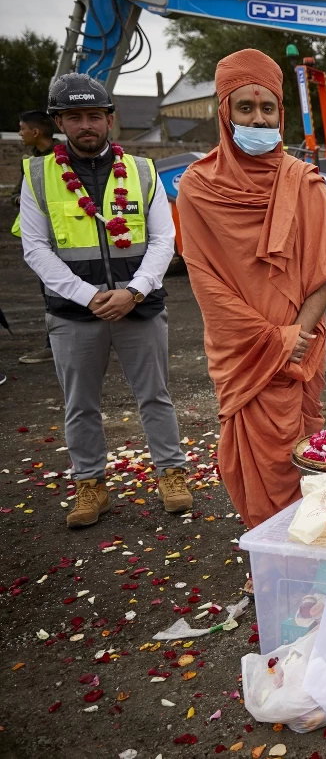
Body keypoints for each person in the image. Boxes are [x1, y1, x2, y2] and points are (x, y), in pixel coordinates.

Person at [176, 49, 326, 529]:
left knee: (302, 450)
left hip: (301, 349)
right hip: (242, 351)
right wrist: (270, 339)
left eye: (268, 108)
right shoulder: (195, 188)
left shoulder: (304, 181)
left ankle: (302, 547)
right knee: (249, 460)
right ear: (224, 113)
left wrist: (297, 335)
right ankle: (268, 551)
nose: (258, 117)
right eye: (246, 108)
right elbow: (204, 279)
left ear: (281, 112)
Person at [19, 74, 192, 528]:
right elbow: (36, 249)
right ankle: (91, 484)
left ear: (110, 119)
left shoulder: (142, 170)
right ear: (59, 123)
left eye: (94, 115)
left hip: (140, 304)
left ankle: (171, 473)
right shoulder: (37, 175)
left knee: (155, 396)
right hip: (74, 313)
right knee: (80, 403)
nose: (85, 125)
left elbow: (164, 239)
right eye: (74, 117)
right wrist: (91, 296)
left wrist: (133, 291)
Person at [12, 110, 59, 365]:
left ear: (35, 131)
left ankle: (56, 345)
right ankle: (53, 344)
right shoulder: (30, 162)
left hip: (66, 238)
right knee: (50, 291)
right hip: (42, 239)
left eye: (21, 128)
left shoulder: (66, 156)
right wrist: (19, 199)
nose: (19, 133)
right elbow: (16, 193)